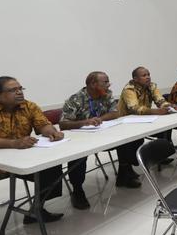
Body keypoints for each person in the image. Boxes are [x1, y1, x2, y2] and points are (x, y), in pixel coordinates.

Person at [0, 77, 64, 235]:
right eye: (13, 90)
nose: (20, 92)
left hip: (20, 159)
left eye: (20, 88)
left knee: (52, 167)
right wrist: (14, 143)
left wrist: (51, 131)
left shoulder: (28, 106)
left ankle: (36, 209)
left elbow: (42, 124)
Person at [60, 72, 143, 210]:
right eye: (105, 82)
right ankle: (77, 190)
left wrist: (100, 119)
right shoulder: (75, 99)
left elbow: (115, 112)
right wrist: (85, 122)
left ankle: (124, 172)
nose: (108, 84)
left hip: (102, 133)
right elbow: (63, 124)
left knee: (130, 138)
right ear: (93, 84)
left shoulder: (106, 94)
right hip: (81, 138)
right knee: (78, 155)